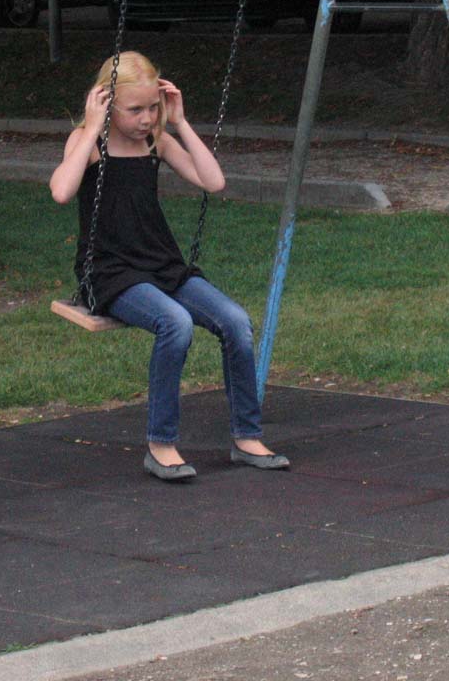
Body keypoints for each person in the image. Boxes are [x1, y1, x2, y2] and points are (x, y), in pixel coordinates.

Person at [49, 52, 289, 482]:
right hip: (110, 272)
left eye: (152, 108)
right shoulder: (89, 144)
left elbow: (213, 181)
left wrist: (179, 122)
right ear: (106, 103)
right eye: (134, 109)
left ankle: (247, 436)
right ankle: (161, 445)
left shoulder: (155, 142)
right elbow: (62, 191)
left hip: (161, 264)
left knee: (236, 321)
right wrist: (91, 127)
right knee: (174, 323)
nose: (146, 119)